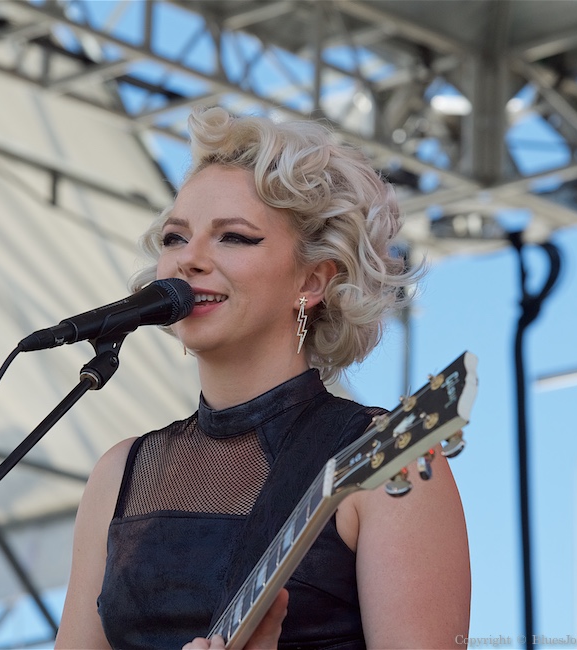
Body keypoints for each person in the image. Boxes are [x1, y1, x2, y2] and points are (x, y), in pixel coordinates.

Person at [55, 106, 470, 649]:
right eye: (175, 238)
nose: (190, 260)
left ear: (314, 279)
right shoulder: (119, 473)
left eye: (234, 237)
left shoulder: (390, 451)